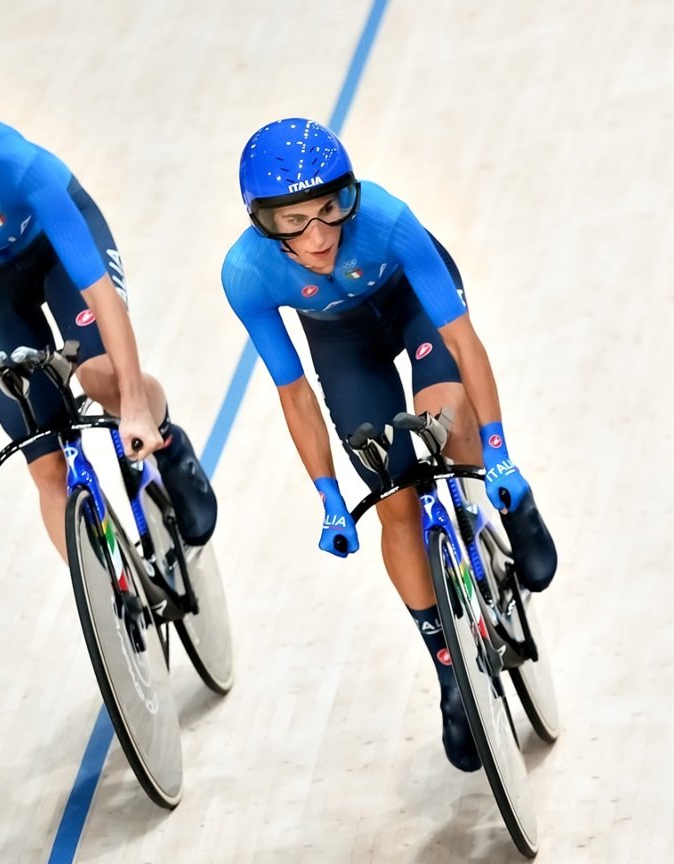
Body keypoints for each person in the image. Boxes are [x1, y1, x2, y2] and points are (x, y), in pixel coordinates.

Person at [220, 118, 556, 772]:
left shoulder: (390, 221)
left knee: (444, 417)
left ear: (350, 194)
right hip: (343, 340)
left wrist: (499, 452)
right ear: (262, 222)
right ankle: (449, 670)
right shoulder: (246, 274)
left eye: (330, 210)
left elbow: (463, 344)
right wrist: (328, 496)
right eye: (293, 223)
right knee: (396, 498)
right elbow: (295, 393)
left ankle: (510, 505)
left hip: (413, 307)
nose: (318, 236)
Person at [0, 73, 216, 555]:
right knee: (45, 462)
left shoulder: (18, 164)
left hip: (54, 251)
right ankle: (110, 602)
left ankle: (168, 441)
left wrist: (132, 405)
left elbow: (98, 293)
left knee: (100, 378)